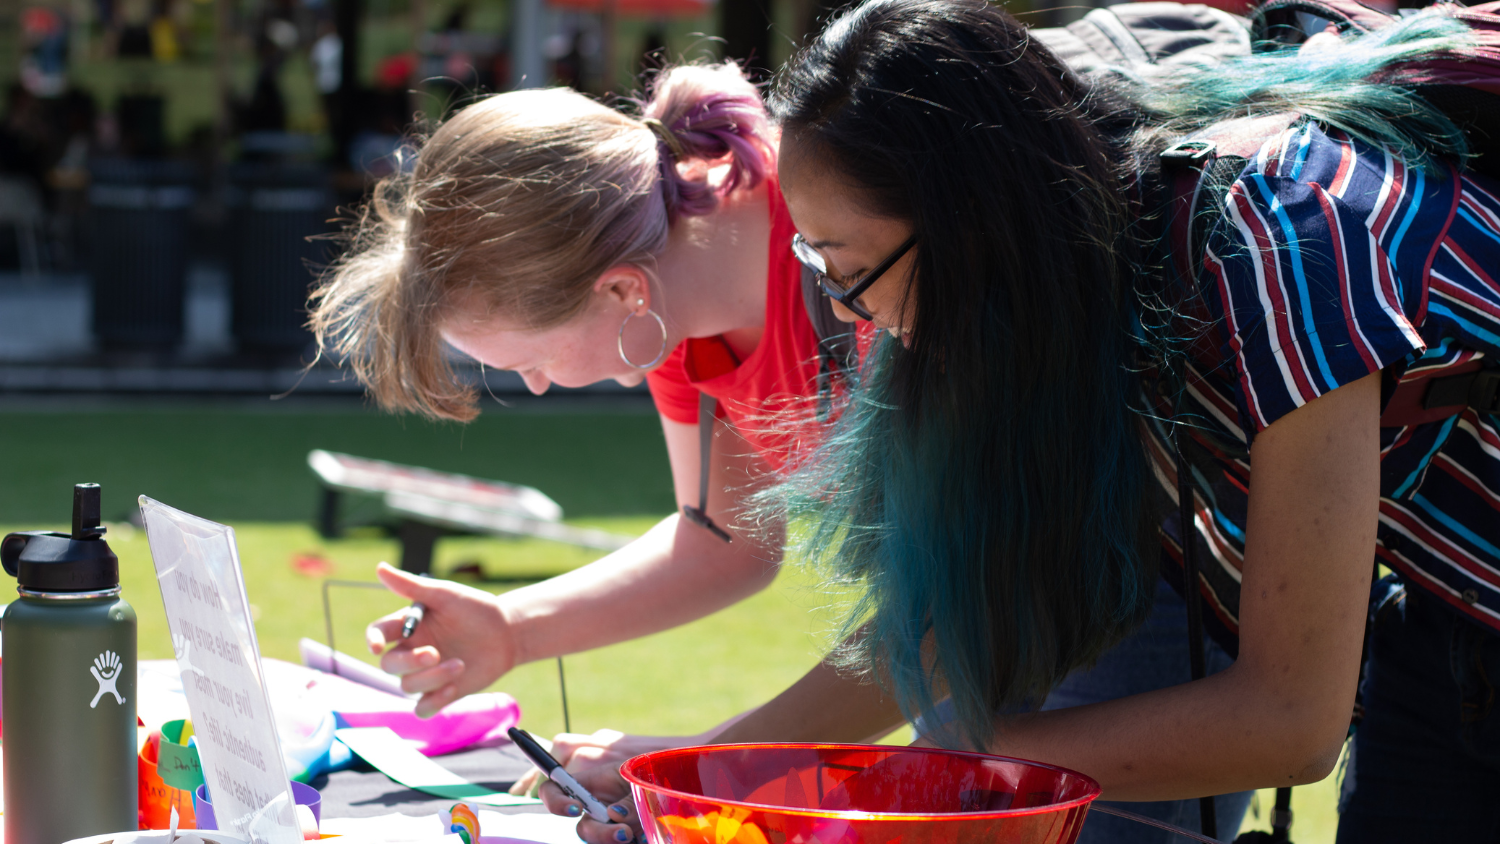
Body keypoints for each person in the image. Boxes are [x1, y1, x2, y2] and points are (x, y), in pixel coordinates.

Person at [536, 2, 1500, 843]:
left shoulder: (1270, 238)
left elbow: (1289, 720)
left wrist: (935, 775)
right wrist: (707, 773)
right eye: (815, 265)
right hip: (1443, 625)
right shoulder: (1048, 296)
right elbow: (935, 630)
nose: (839, 312)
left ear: (975, 224)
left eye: (847, 268)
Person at [309, 62, 883, 766]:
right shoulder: (665, 308)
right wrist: (511, 627)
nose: (542, 386)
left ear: (620, 291)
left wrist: (712, 760)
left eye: (531, 362)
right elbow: (722, 540)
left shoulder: (856, 259)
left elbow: (970, 609)